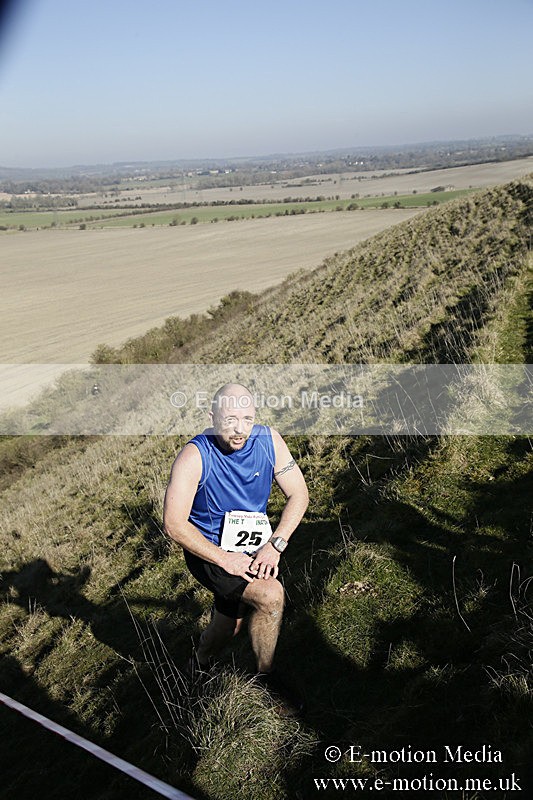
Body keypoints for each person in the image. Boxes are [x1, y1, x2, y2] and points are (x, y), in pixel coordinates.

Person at [163, 382, 309, 707]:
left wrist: (276, 544)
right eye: (230, 419)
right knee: (270, 596)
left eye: (247, 418)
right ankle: (265, 680)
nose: (240, 429)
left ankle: (199, 661)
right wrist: (224, 559)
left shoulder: (269, 440)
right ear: (212, 416)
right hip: (209, 552)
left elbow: (299, 493)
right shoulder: (194, 456)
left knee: (230, 621)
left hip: (254, 546)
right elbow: (174, 524)